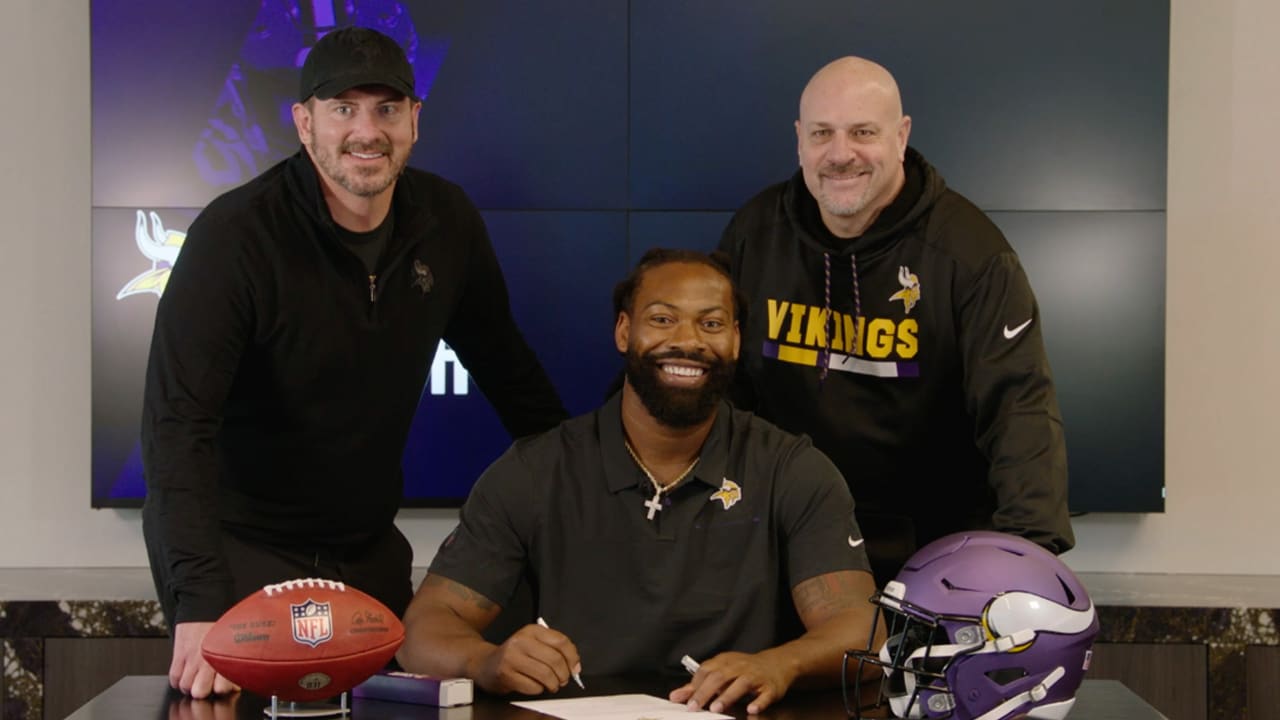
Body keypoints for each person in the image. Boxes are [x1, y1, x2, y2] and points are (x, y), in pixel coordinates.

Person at [141, 27, 567, 699]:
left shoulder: (446, 221)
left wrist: (588, 489)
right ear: (304, 124)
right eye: (343, 108)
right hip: (243, 551)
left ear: (415, 121)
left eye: (387, 108)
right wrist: (197, 604)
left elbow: (509, 373)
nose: (366, 131)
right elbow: (176, 430)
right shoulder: (234, 238)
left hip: (368, 552)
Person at [396, 249, 883, 715]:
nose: (688, 341)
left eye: (711, 323)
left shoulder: (791, 469)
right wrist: (486, 662)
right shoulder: (535, 470)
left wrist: (781, 664)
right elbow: (423, 631)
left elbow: (863, 628)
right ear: (624, 331)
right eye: (662, 319)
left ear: (735, 340)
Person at [718, 56, 1073, 586]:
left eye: (863, 132)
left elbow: (1018, 410)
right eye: (822, 133)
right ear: (799, 139)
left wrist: (1028, 565)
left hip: (934, 554)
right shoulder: (755, 232)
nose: (841, 154)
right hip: (786, 539)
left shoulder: (972, 256)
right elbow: (716, 382)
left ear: (901, 136)